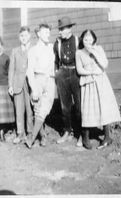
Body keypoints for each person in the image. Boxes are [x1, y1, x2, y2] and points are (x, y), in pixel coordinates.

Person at [75, 29, 121, 149]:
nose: (88, 41)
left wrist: (94, 52)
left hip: (101, 82)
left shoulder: (99, 49)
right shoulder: (79, 53)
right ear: (82, 40)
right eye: (85, 39)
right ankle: (85, 137)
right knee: (88, 109)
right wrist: (90, 72)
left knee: (104, 107)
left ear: (94, 39)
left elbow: (105, 64)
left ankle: (107, 137)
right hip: (88, 82)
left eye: (90, 39)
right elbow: (79, 70)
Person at [25, 22, 56, 149]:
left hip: (49, 79)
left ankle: (31, 137)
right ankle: (42, 136)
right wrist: (33, 88)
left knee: (45, 109)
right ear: (38, 34)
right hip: (37, 79)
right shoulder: (32, 50)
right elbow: (30, 71)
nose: (48, 34)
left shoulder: (52, 47)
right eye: (45, 32)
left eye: (49, 32)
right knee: (37, 108)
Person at [53, 16, 82, 146]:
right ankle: (67, 131)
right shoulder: (57, 43)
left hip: (76, 73)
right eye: (59, 29)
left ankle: (81, 133)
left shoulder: (78, 41)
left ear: (70, 28)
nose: (60, 32)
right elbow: (55, 61)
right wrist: (57, 73)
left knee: (79, 106)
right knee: (65, 106)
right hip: (63, 73)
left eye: (62, 29)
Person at [8, 26, 34, 144]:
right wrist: (10, 85)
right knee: (19, 110)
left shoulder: (33, 50)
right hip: (17, 83)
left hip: (29, 83)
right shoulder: (15, 51)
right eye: (22, 36)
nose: (24, 38)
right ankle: (20, 133)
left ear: (30, 36)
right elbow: (11, 70)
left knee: (30, 109)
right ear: (19, 37)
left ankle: (30, 132)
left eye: (26, 35)